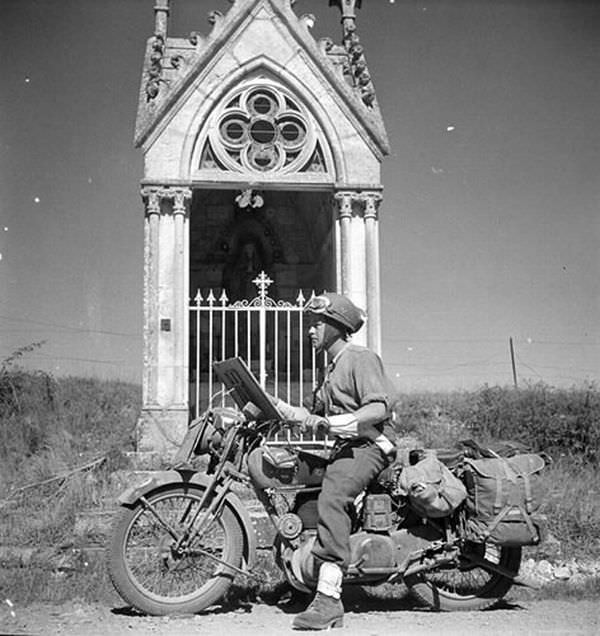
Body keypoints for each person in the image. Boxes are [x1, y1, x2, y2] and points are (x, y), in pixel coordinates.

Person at [273, 292, 396, 631]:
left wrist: (335, 423)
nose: (311, 331)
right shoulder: (330, 369)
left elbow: (378, 409)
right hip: (345, 447)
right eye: (311, 324)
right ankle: (302, 581)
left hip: (368, 446)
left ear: (336, 327)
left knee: (333, 496)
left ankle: (328, 599)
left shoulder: (360, 358)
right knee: (305, 496)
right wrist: (279, 408)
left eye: (317, 324)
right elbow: (314, 416)